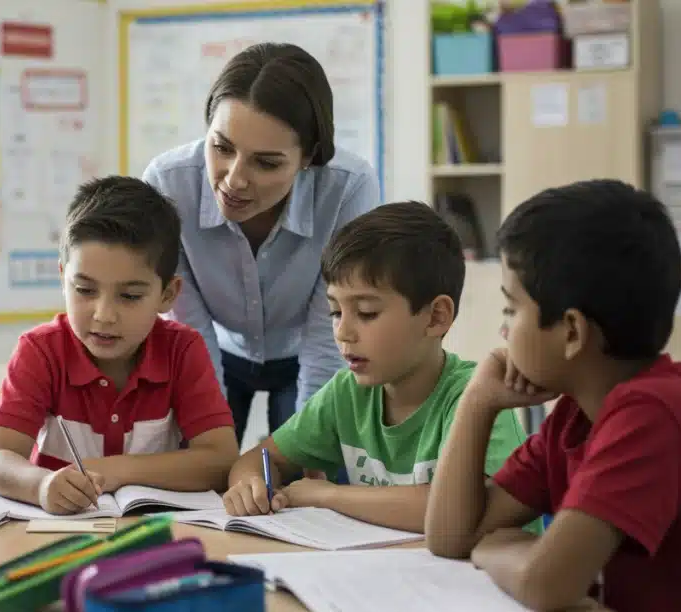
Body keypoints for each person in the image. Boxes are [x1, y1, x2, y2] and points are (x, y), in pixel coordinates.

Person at [425, 180, 681, 612]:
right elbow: (450, 538)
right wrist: (477, 402)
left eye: (510, 308)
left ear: (572, 331)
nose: (502, 328)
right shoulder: (576, 416)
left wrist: (500, 548)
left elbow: (546, 583)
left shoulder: (654, 415)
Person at [221, 202, 530, 533]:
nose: (343, 332)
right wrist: (249, 485)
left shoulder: (476, 396)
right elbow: (255, 461)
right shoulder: (346, 393)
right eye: (336, 312)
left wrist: (329, 495)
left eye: (366, 312)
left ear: (436, 316)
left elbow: (465, 509)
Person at [143, 43, 381, 446]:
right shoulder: (168, 184)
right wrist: (210, 445)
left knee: (310, 465)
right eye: (221, 147)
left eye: (266, 163)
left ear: (309, 157)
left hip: (307, 350)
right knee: (201, 467)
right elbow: (189, 326)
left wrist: (305, 453)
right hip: (216, 347)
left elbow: (330, 330)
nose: (234, 180)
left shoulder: (348, 188)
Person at [0, 176, 239, 514]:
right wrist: (41, 485)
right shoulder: (40, 351)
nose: (103, 316)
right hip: (55, 533)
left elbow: (220, 459)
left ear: (167, 295)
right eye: (85, 290)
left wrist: (113, 470)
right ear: (63, 279)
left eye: (130, 296)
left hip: (153, 532)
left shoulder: (182, 350)